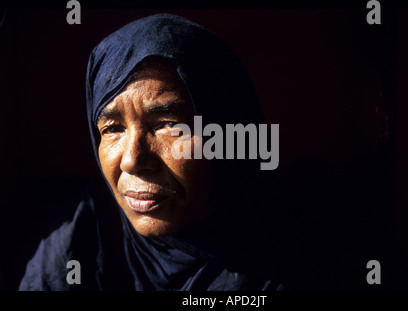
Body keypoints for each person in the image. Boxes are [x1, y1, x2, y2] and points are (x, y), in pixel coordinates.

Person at [18, 13, 283, 291]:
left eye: (169, 125)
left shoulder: (301, 250)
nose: (132, 160)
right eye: (112, 128)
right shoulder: (75, 249)